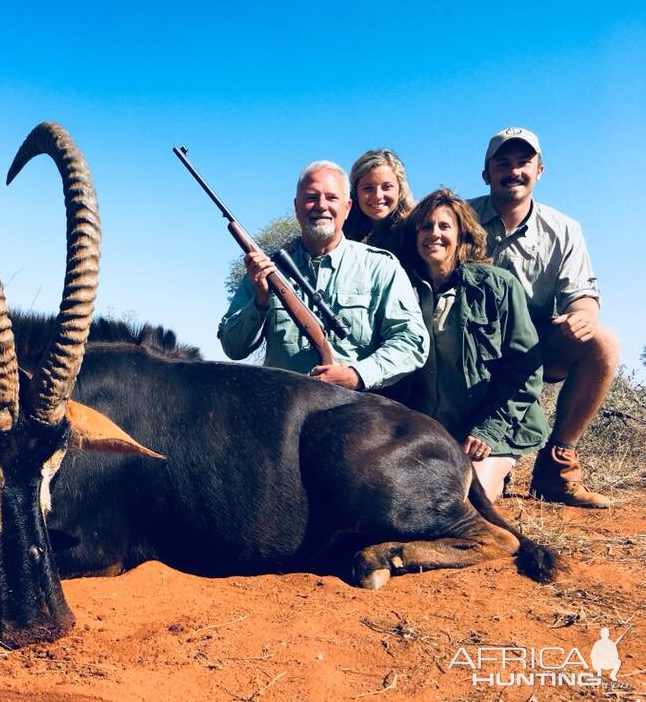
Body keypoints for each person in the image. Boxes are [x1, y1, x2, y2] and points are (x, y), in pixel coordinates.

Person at [469, 127, 620, 508]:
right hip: (466, 350)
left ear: (540, 170)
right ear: (486, 174)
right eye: (503, 163)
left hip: (530, 348)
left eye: (523, 162)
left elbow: (583, 295)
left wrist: (583, 315)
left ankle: (557, 465)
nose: (513, 171)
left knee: (602, 342)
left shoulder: (565, 229)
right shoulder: (458, 217)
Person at [218, 160, 428, 391]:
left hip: (354, 412)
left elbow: (411, 341)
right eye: (311, 198)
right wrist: (260, 300)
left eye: (331, 198)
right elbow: (233, 347)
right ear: (296, 206)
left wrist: (357, 374)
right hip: (279, 413)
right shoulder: (264, 269)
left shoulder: (379, 266)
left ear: (347, 208)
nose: (321, 206)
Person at [403, 189, 548, 501]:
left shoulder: (497, 286)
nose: (434, 234)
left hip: (490, 433)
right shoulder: (403, 289)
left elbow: (525, 371)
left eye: (444, 226)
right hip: (434, 434)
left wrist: (488, 431)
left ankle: (496, 474)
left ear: (461, 234)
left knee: (464, 501)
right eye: (426, 226)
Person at [345, 149, 415, 256]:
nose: (377, 196)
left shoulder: (415, 230)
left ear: (400, 190)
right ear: (355, 192)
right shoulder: (341, 232)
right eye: (368, 188)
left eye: (387, 187)